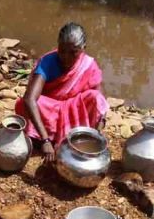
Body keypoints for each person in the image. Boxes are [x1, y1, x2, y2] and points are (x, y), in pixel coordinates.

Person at [16, 22, 109, 162]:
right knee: (26, 104)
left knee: (95, 97)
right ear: (58, 45)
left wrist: (98, 131)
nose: (66, 57)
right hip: (49, 110)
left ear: (83, 49)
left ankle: (84, 135)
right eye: (62, 50)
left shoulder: (88, 65)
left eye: (73, 52)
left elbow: (100, 101)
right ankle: (47, 136)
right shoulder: (48, 62)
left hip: (75, 109)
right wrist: (45, 140)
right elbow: (30, 99)